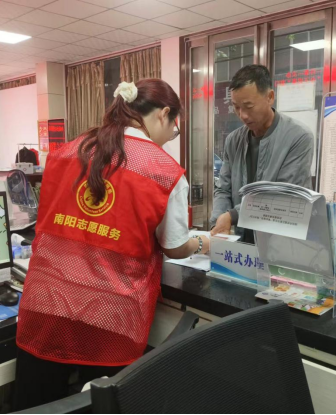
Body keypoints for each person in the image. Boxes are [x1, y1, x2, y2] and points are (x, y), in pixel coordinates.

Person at [14, 79, 210, 411]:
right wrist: (203, 242)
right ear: (163, 114)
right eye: (173, 129)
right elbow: (175, 247)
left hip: (47, 304)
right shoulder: (165, 172)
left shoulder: (65, 152)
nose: (169, 137)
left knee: (37, 405)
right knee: (104, 404)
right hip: (111, 315)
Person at [210, 65, 314, 242]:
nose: (242, 115)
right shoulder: (233, 140)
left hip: (280, 242)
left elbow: (283, 195)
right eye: (236, 107)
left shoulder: (298, 137)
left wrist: (232, 215)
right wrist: (217, 223)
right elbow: (223, 189)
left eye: (248, 106)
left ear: (270, 97)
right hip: (242, 240)